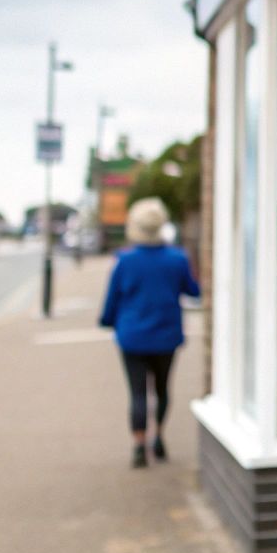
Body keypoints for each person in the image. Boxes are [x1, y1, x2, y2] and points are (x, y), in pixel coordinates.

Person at [99, 197, 199, 469]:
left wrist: (107, 321)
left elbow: (112, 300)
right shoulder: (177, 258)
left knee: (138, 393)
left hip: (132, 337)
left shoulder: (124, 260)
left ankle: (139, 445)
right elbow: (194, 290)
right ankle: (159, 437)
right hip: (166, 336)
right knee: (163, 390)